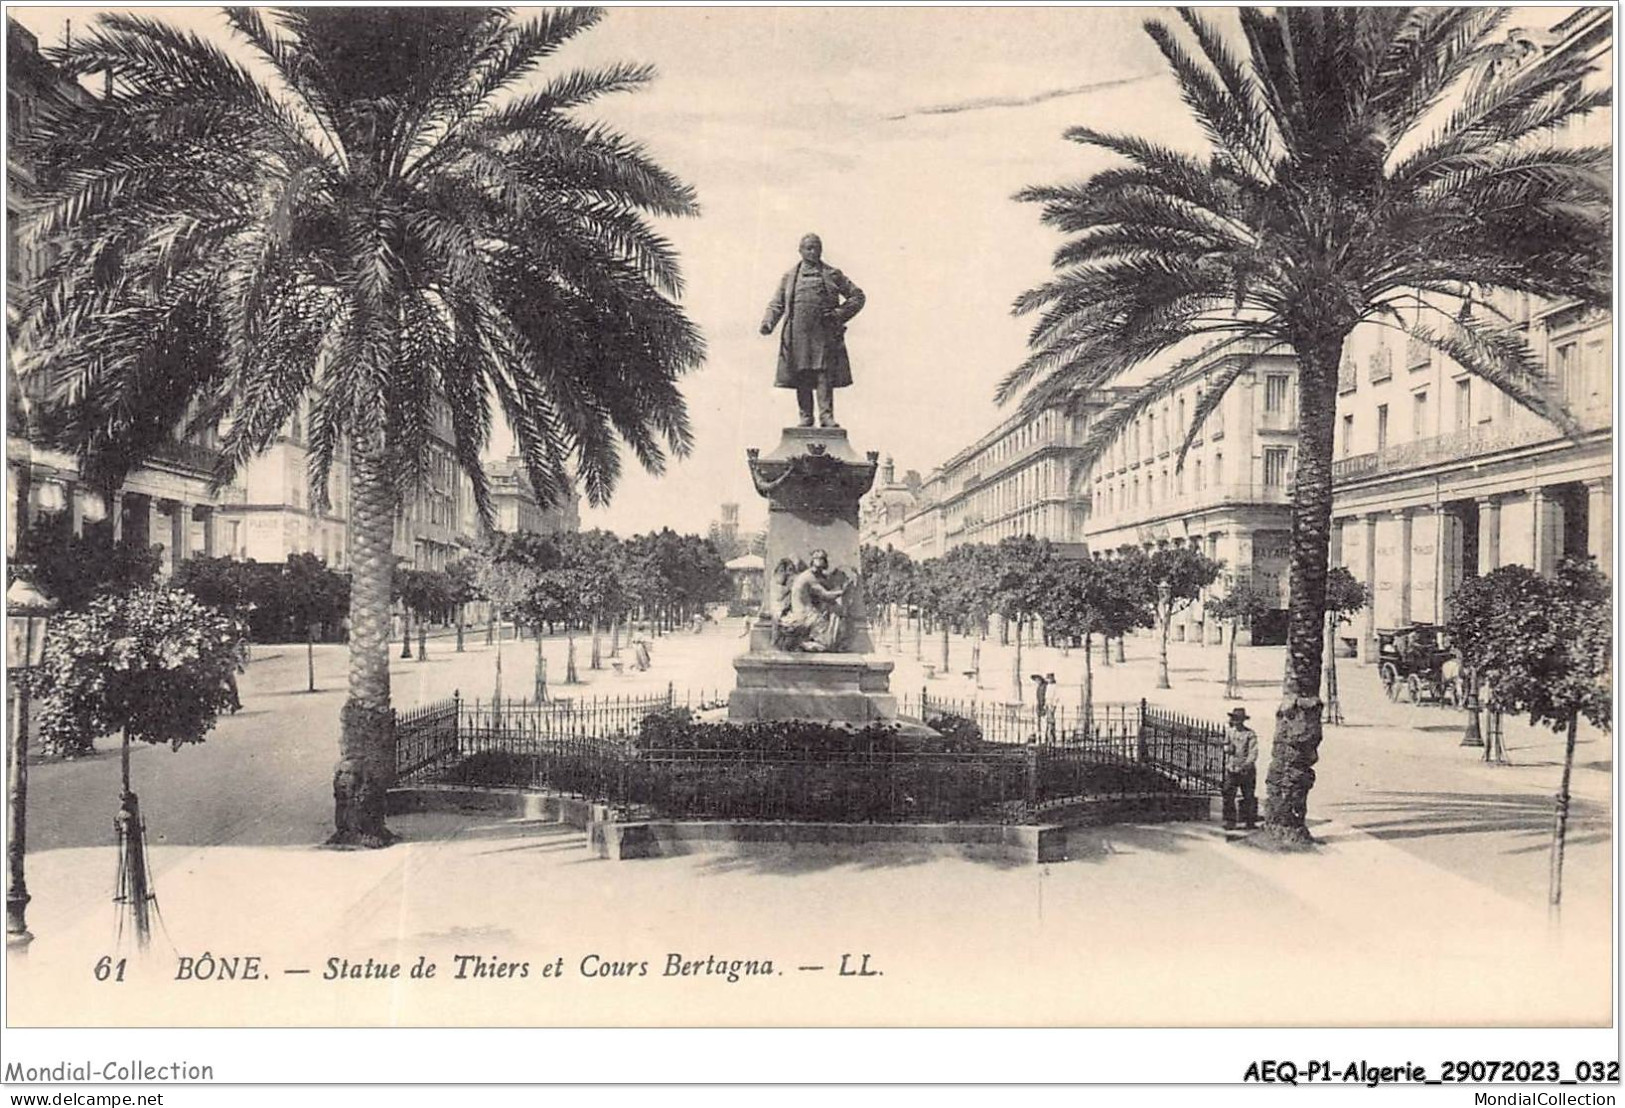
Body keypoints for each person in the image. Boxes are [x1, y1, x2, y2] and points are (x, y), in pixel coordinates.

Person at [760, 233, 865, 428]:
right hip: (797, 334)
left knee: (823, 373)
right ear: (800, 251)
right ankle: (806, 416)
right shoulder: (789, 277)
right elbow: (777, 304)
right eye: (808, 248)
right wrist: (768, 323)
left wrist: (839, 313)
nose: (813, 251)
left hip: (824, 333)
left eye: (816, 247)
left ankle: (826, 416)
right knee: (803, 372)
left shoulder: (833, 274)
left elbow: (858, 296)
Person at [774, 549, 847, 652]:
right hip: (806, 616)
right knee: (829, 638)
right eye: (820, 568)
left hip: (800, 612)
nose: (822, 572)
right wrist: (843, 591)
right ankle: (804, 644)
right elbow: (826, 595)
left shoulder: (806, 574)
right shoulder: (810, 577)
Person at [1222, 706, 1259, 830]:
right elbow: (1226, 745)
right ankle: (1229, 820)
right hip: (1232, 769)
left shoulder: (1250, 734)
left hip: (1246, 771)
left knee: (1248, 796)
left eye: (1238, 719)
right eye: (1234, 719)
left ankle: (1249, 821)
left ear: (1243, 720)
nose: (1235, 721)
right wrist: (1227, 749)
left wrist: (1245, 765)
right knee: (1228, 794)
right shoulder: (1230, 732)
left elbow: (1253, 753)